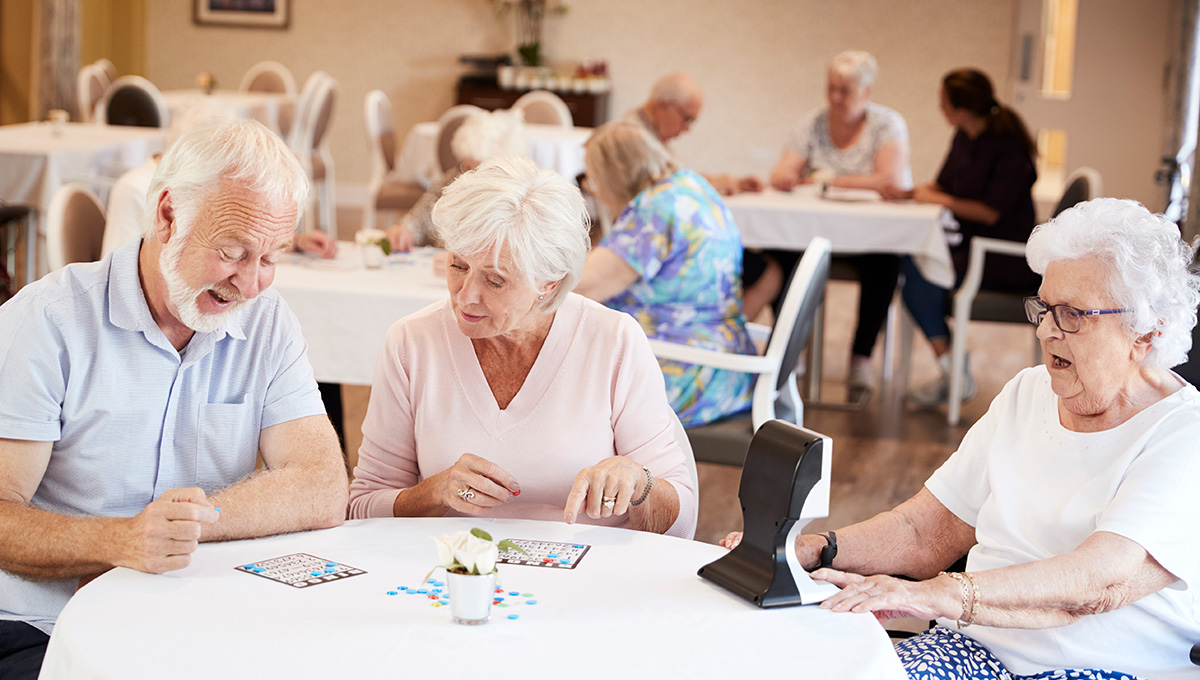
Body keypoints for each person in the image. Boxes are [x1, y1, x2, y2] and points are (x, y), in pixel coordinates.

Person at [724, 198, 1200, 680]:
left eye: (1073, 314)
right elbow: (926, 531)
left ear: (1144, 333)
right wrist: (808, 549)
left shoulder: (1183, 433)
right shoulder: (1026, 394)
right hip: (975, 648)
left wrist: (938, 593)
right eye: (1044, 308)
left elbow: (1098, 581)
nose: (1048, 332)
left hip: (1102, 669)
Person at [0, 118, 349, 679]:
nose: (251, 284)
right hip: (42, 628)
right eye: (233, 251)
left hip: (194, 621)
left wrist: (186, 527)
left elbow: (324, 484)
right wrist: (118, 543)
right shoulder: (47, 321)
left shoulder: (266, 320)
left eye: (270, 257)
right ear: (167, 215)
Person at [347, 156, 696, 538]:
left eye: (495, 281)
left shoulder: (613, 341)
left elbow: (681, 521)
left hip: (589, 578)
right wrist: (434, 492)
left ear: (549, 281)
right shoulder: (411, 342)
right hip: (453, 577)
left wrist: (639, 483)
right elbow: (363, 505)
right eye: (458, 266)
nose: (466, 297)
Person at [575, 120, 755, 427]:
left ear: (617, 173)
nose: (599, 193)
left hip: (688, 372)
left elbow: (581, 285)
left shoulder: (656, 209)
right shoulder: (691, 185)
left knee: (556, 391)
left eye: (594, 180)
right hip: (724, 361)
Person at [752, 50, 911, 395]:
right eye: (832, 88)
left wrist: (824, 180)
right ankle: (791, 348)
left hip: (868, 239)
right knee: (779, 254)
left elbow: (889, 179)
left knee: (886, 264)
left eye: (846, 91)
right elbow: (783, 170)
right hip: (814, 234)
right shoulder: (812, 122)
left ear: (866, 92)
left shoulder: (888, 124)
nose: (836, 98)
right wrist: (787, 178)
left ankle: (860, 357)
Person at [881, 68, 1040, 407]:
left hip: (1005, 256)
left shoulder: (1009, 149)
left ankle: (953, 371)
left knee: (918, 271)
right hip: (969, 247)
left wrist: (937, 199)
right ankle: (953, 368)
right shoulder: (963, 137)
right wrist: (907, 194)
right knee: (913, 264)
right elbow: (943, 187)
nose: (941, 110)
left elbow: (989, 213)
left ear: (962, 109)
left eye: (944, 104)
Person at [384, 109, 527, 252]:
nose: (467, 175)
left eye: (477, 170)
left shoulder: (515, 200)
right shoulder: (455, 176)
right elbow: (421, 218)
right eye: (467, 166)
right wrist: (405, 230)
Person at [618, 72, 761, 196]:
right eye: (687, 119)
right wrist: (723, 182)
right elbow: (673, 186)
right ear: (664, 104)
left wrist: (735, 183)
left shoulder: (650, 132)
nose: (687, 128)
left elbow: (678, 174)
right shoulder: (631, 135)